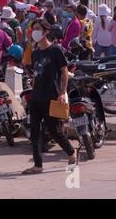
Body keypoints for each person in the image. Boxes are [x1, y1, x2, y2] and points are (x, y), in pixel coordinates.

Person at [22, 19, 76, 175]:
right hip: (36, 96)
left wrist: (62, 92)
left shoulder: (55, 50)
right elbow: (27, 64)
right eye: (33, 29)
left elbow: (64, 72)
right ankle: (37, 165)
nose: (35, 32)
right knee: (34, 132)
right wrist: (29, 44)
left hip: (51, 96)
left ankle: (71, 152)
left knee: (54, 131)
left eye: (38, 29)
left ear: (46, 31)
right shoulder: (35, 52)